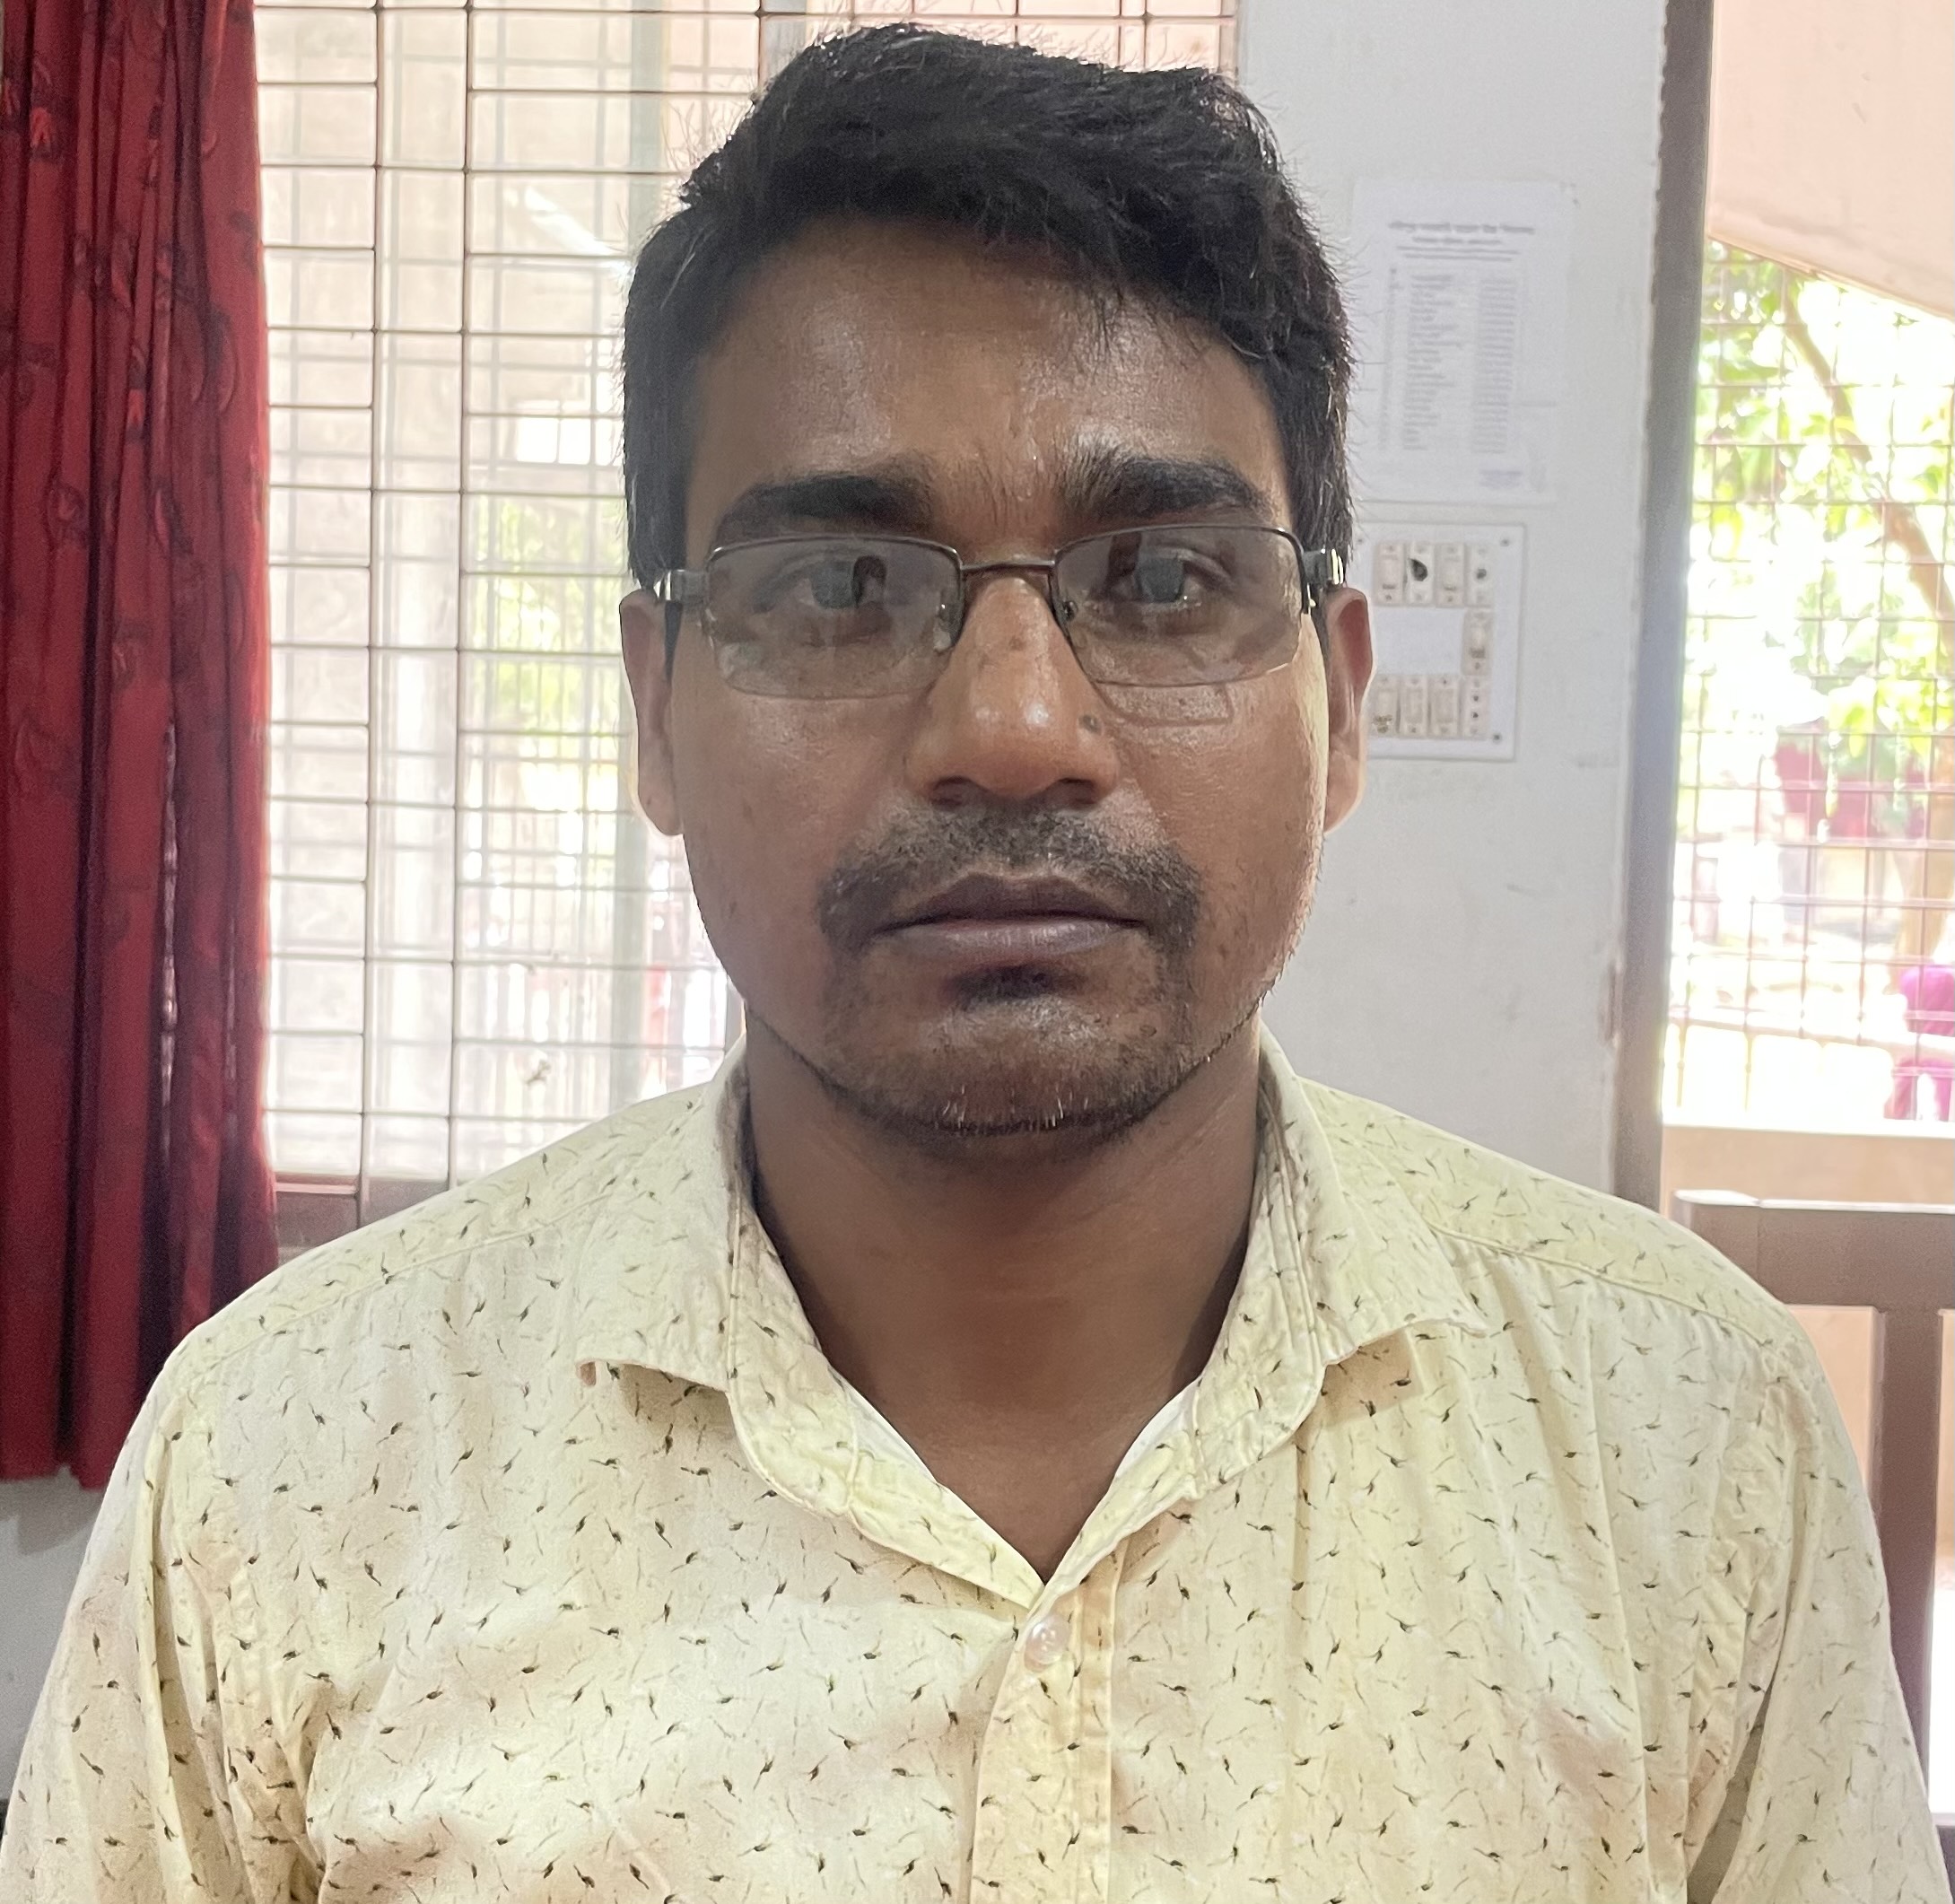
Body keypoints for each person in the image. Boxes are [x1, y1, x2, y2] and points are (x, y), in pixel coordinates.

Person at [4, 26, 1945, 1903]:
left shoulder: (1679, 1438)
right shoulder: (286, 1465)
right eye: (842, 585)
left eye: (1162, 580)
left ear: (1340, 704)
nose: (1014, 728)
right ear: (656, 709)